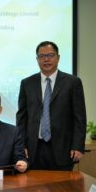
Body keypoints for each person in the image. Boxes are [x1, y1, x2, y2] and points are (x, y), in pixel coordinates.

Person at [16, 41, 87, 170]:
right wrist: (21, 146)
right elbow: (22, 118)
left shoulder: (72, 82)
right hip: (34, 149)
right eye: (42, 56)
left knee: (63, 188)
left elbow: (79, 118)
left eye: (50, 55)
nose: (46, 59)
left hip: (63, 149)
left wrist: (78, 146)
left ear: (58, 57)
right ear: (37, 59)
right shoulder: (27, 83)